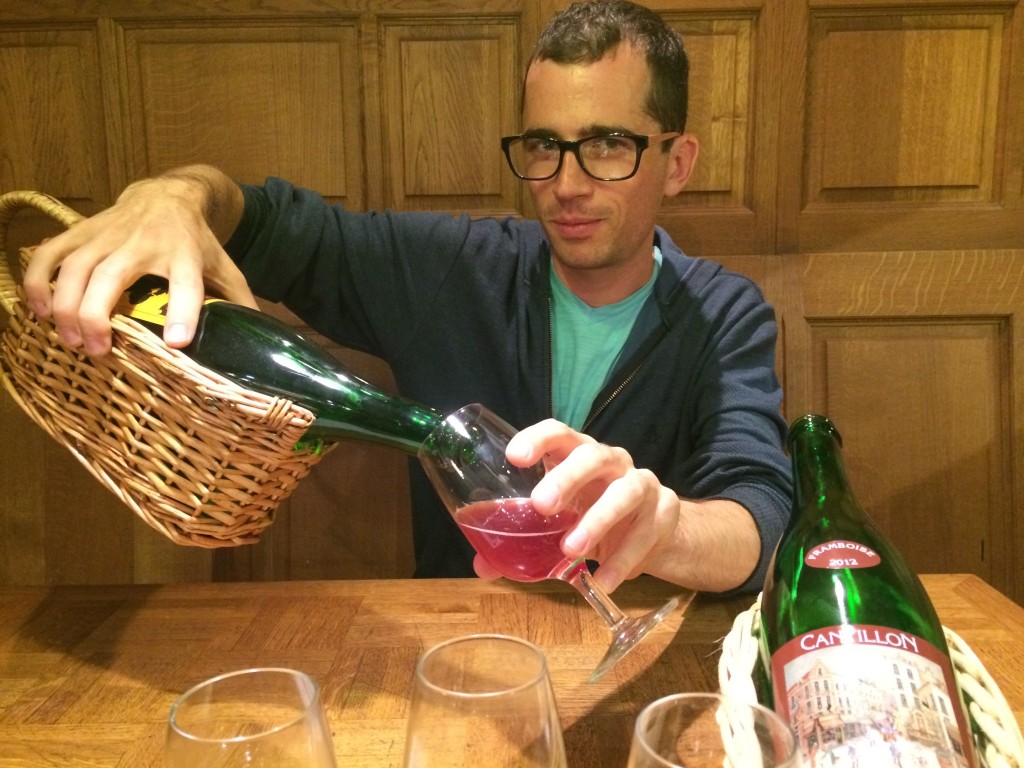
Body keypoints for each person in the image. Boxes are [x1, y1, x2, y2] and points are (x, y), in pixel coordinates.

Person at [22, 0, 791, 595]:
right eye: (543, 147)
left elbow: (761, 512)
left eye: (608, 145)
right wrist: (174, 196)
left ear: (678, 161)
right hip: (467, 636)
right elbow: (272, 226)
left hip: (641, 648)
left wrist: (669, 530)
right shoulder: (453, 268)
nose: (566, 184)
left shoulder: (722, 313)